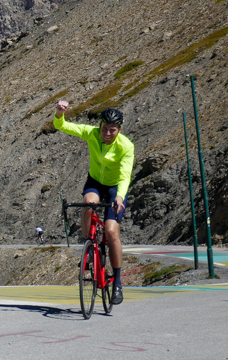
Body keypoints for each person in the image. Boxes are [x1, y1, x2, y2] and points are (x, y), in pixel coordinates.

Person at [54, 100, 134, 305]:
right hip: (95, 182)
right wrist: (60, 113)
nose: (107, 134)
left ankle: (117, 281)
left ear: (119, 130)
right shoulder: (91, 133)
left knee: (111, 230)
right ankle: (87, 245)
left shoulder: (126, 146)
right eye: (104, 129)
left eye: (112, 130)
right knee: (88, 203)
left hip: (116, 187)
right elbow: (62, 126)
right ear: (100, 126)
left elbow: (125, 176)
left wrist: (119, 198)